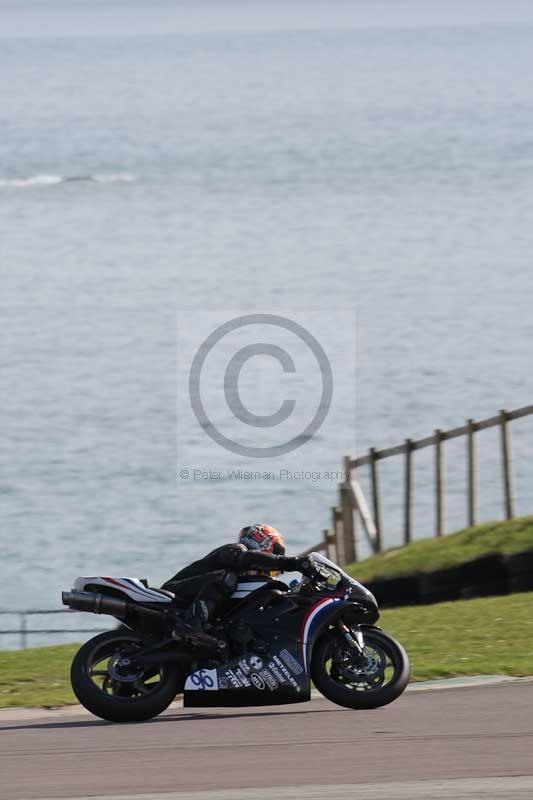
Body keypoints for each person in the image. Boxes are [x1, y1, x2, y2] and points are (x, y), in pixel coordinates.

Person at [161, 524, 312, 648]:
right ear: (261, 540)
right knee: (226, 578)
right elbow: (247, 558)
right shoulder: (235, 549)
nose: (273, 559)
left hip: (188, 602)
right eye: (275, 551)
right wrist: (291, 562)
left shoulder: (241, 571)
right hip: (174, 592)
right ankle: (191, 624)